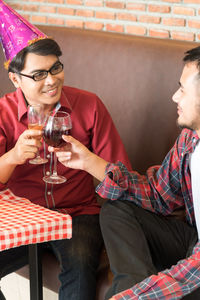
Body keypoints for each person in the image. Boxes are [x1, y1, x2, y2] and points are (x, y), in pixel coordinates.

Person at [0, 1, 132, 300]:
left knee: (82, 266)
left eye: (56, 68)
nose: (52, 80)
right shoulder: (3, 114)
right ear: (15, 79)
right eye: (39, 75)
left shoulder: (90, 105)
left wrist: (88, 162)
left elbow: (123, 175)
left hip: (78, 213)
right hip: (24, 215)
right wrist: (12, 157)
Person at [49, 45, 200, 300]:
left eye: (183, 90)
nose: (175, 97)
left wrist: (132, 297)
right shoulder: (189, 139)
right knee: (118, 208)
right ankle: (131, 285)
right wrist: (90, 163)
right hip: (190, 237)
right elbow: (158, 194)